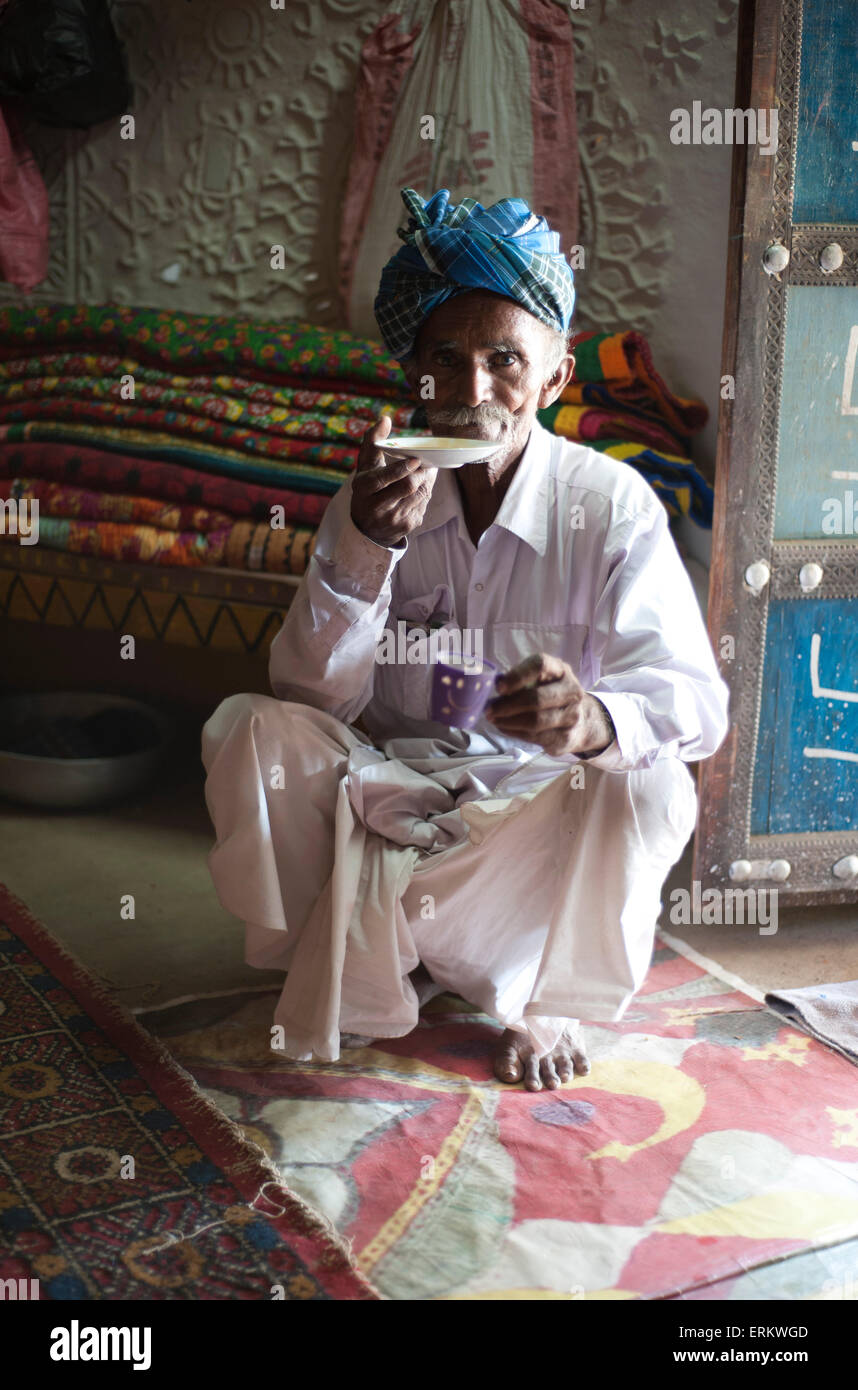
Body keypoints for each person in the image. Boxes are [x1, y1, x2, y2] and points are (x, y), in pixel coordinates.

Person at [201, 187, 729, 1092]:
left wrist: (593, 721)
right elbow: (311, 702)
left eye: (504, 361)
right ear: (415, 373)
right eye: (445, 358)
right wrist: (369, 548)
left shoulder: (610, 510)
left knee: (649, 787)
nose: (473, 391)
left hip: (522, 840)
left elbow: (697, 708)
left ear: (555, 379)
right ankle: (362, 955)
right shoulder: (374, 494)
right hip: (386, 799)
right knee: (252, 731)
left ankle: (545, 1001)